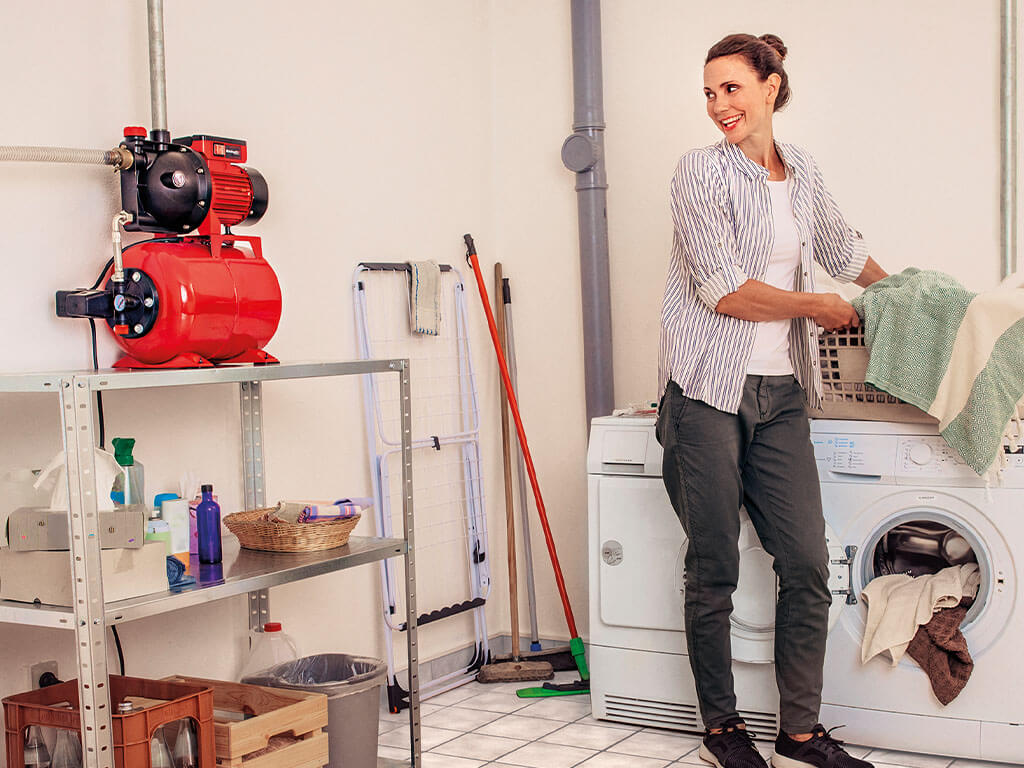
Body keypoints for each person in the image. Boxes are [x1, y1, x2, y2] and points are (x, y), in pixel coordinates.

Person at [656, 33, 888, 768]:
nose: (718, 105)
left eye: (731, 88)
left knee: (808, 563)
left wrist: (914, 298)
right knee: (715, 565)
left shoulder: (805, 171)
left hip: (782, 391)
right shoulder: (698, 172)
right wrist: (815, 304)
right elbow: (722, 290)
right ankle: (720, 729)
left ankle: (798, 733)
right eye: (709, 92)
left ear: (771, 86)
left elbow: (846, 252)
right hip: (706, 391)